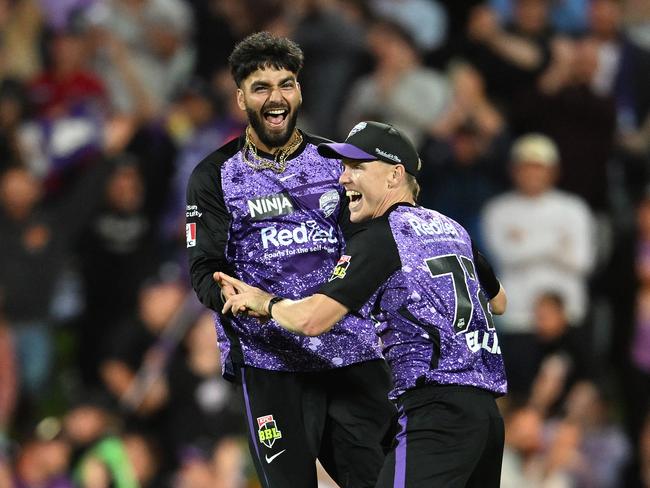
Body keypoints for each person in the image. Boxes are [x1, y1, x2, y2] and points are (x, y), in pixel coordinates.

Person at [218, 121, 509, 488]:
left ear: (394, 175)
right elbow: (499, 301)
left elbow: (312, 320)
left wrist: (266, 302)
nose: (343, 179)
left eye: (357, 167)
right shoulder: (452, 229)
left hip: (434, 415)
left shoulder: (380, 238)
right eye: (343, 167)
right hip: (486, 419)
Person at [186, 33, 394, 488]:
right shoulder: (213, 177)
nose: (275, 97)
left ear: (299, 91)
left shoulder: (336, 162)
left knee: (386, 482)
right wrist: (227, 293)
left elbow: (373, 241)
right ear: (240, 96)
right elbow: (203, 267)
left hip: (350, 353)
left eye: (286, 84)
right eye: (261, 87)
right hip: (270, 363)